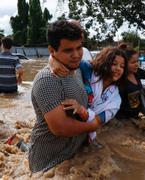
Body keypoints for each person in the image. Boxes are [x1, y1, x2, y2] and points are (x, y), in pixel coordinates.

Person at [28, 20, 101, 173]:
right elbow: (61, 128)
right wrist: (93, 125)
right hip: (49, 162)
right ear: (52, 50)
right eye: (68, 50)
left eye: (79, 48)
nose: (76, 55)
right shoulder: (47, 79)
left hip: (74, 156)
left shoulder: (79, 69)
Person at [49, 46, 128, 142]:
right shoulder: (88, 70)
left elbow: (97, 122)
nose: (118, 69)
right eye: (114, 64)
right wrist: (52, 62)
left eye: (122, 66)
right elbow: (63, 60)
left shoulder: (116, 100)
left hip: (85, 131)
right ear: (104, 62)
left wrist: (81, 110)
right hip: (64, 119)